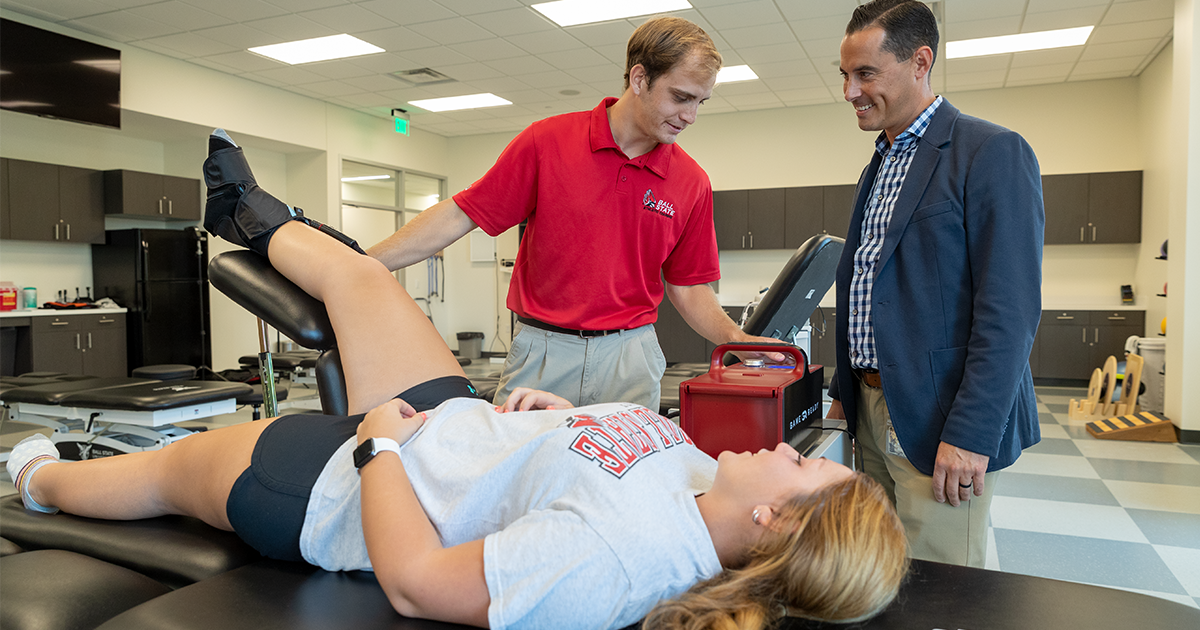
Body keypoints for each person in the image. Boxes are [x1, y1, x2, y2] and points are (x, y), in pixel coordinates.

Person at [6, 130, 908, 630]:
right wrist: (557, 419)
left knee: (168, 468)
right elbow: (589, 461)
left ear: (774, 521)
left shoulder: (618, 561)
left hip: (345, 487)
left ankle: (34, 478)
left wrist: (380, 450)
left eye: (802, 467)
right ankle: (244, 214)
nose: (781, 450)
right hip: (455, 425)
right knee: (362, 276)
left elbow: (417, 582)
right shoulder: (704, 485)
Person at [366, 17, 785, 413]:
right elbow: (461, 214)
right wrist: (361, 264)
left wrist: (736, 338)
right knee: (519, 477)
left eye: (701, 102)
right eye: (681, 97)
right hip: (544, 352)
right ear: (640, 79)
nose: (690, 116)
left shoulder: (691, 181)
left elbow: (689, 286)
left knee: (620, 483)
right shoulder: (547, 142)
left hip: (630, 358)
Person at [826, 0, 1044, 568]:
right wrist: (842, 394)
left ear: (920, 62)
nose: (849, 90)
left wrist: (971, 433)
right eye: (844, 75)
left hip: (941, 414)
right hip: (872, 405)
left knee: (941, 587)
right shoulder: (881, 163)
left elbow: (1010, 309)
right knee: (876, 571)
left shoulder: (990, 151)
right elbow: (872, 284)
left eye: (865, 73)